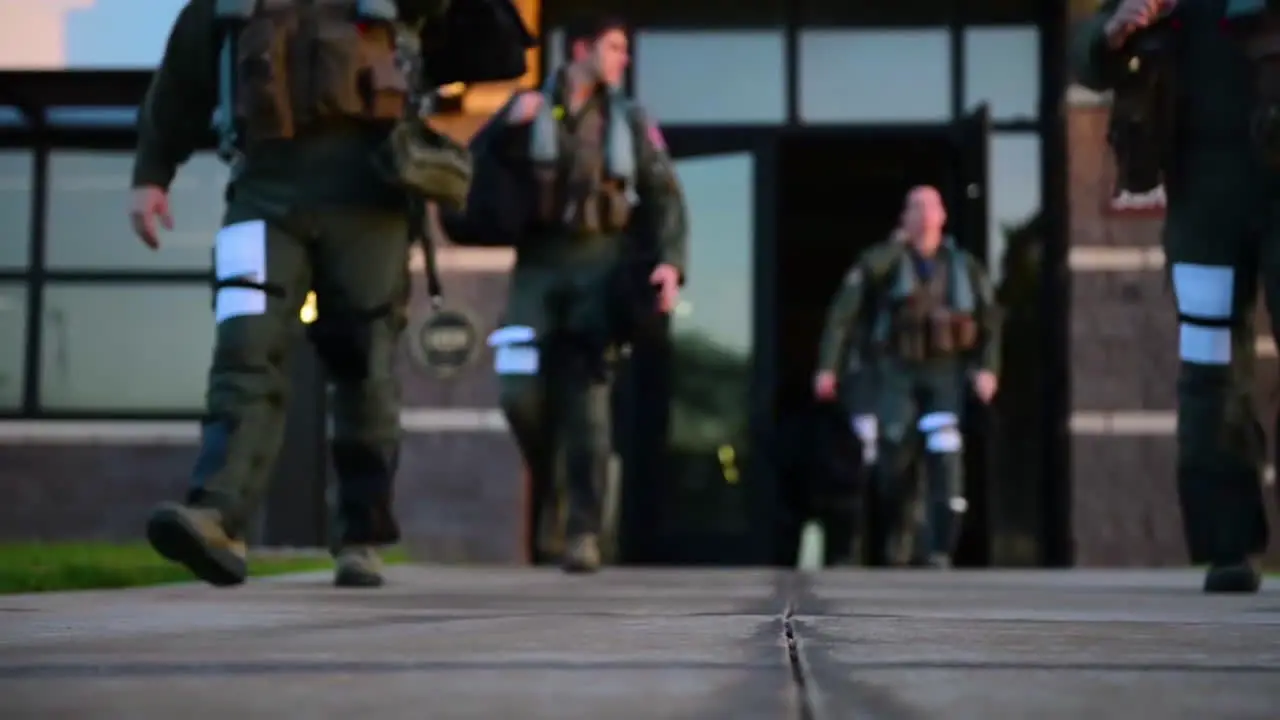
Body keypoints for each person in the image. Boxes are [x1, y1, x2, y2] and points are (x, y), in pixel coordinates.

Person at [128, 0, 531, 588]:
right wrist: (150, 176)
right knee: (244, 345)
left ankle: (362, 533)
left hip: (368, 193)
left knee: (364, 362)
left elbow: (495, 45)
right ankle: (218, 514)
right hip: (262, 191)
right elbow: (179, 85)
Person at [464, 15, 688, 573]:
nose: (623, 59)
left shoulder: (629, 120)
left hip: (600, 267)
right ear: (582, 48)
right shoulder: (525, 107)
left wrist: (670, 264)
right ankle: (552, 481)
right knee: (519, 394)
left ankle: (584, 533)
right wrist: (504, 129)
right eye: (614, 46)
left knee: (588, 407)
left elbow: (665, 194)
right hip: (537, 267)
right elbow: (468, 169)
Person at [1072, 0, 1275, 593]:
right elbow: (1089, 56)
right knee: (1210, 367)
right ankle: (1228, 547)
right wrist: (1112, 33)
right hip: (1203, 199)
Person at [814, 187, 1000, 568]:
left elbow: (990, 321)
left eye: (931, 205)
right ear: (904, 217)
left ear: (943, 215)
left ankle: (938, 549)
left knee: (944, 455)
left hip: (944, 373)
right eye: (915, 206)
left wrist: (988, 369)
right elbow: (844, 313)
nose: (924, 213)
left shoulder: (964, 266)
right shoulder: (885, 262)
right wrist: (828, 367)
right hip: (895, 372)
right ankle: (893, 546)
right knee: (892, 459)